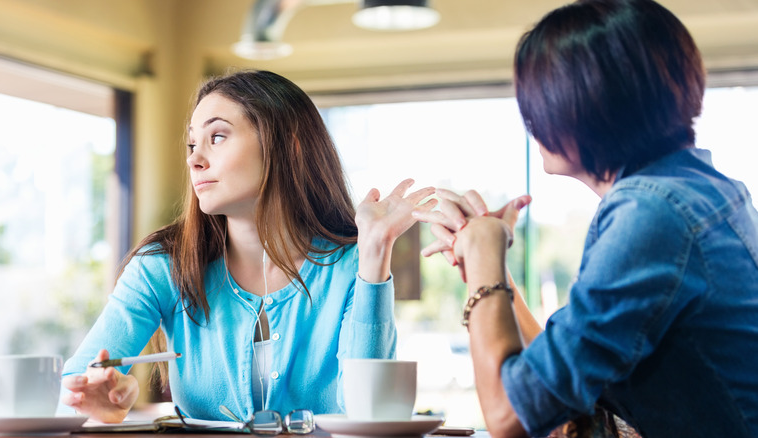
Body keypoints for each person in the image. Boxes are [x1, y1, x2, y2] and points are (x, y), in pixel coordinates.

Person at [414, 0, 758, 437]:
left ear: (587, 103)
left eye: (538, 100)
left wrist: (483, 251)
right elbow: (555, 379)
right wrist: (489, 264)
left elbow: (509, 415)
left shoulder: (650, 216)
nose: (531, 121)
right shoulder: (699, 190)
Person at [60, 69, 436, 424]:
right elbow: (79, 378)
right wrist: (94, 395)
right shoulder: (162, 265)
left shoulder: (351, 267)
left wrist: (373, 255)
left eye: (217, 137)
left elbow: (369, 412)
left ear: (290, 145)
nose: (194, 158)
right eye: (192, 143)